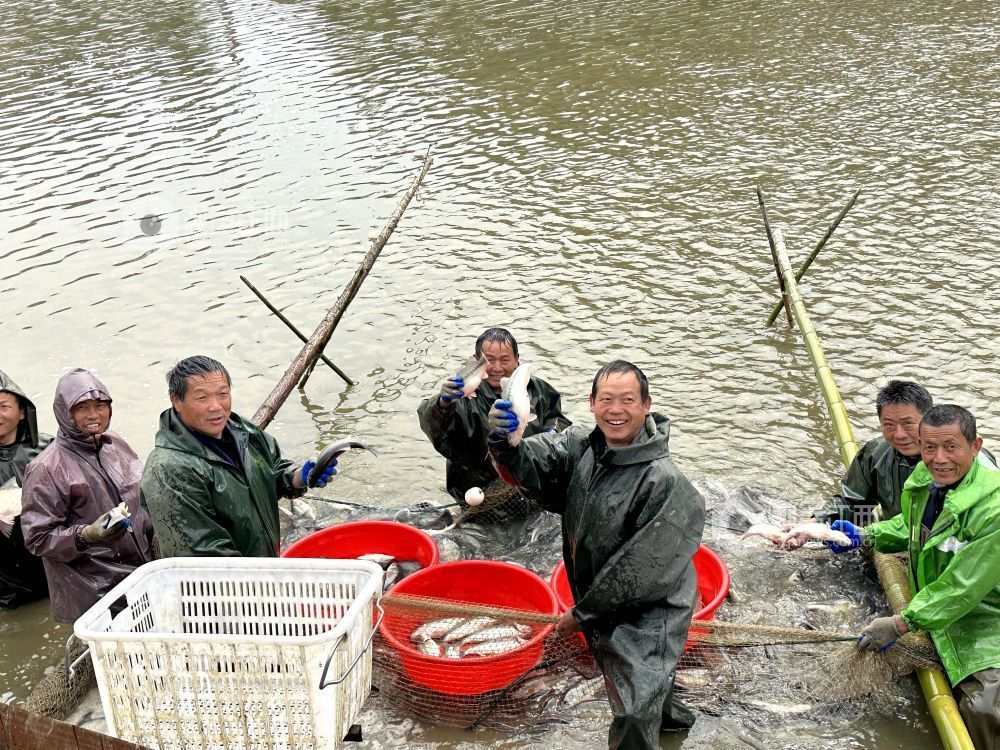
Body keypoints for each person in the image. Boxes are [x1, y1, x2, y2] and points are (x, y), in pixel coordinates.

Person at [487, 360, 705, 750]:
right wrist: (505, 443)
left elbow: (642, 572)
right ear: (591, 403)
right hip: (599, 597)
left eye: (627, 400)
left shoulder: (665, 481)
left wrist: (582, 613)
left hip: (652, 609)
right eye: (606, 399)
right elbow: (534, 464)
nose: (615, 410)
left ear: (646, 405)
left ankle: (653, 729)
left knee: (634, 712)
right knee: (648, 686)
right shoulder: (581, 448)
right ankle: (673, 729)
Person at [831, 405, 999, 748]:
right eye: (929, 448)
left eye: (951, 447)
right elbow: (910, 527)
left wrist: (901, 622)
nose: (939, 459)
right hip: (938, 610)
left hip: (985, 621)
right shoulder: (924, 480)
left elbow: (962, 588)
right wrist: (867, 534)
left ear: (976, 446)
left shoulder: (993, 509)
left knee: (985, 710)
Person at [140, 355, 335, 558]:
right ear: (176, 401)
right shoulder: (168, 469)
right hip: (228, 583)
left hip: (262, 567)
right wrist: (263, 579)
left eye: (223, 394)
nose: (216, 406)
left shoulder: (242, 431)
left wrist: (298, 476)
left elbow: (271, 469)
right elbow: (203, 555)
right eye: (201, 397)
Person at [20, 369, 155, 623]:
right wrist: (87, 534)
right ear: (64, 412)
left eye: (100, 405)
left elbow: (144, 496)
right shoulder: (46, 468)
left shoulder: (115, 443)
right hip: (93, 591)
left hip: (139, 575)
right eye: (82, 408)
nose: (94, 415)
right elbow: (37, 539)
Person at [417, 327, 571, 516]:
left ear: (517, 359)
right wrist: (441, 403)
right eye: (490, 360)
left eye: (505, 360)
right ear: (477, 361)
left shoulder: (539, 390)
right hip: (478, 499)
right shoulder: (461, 396)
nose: (497, 368)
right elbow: (434, 428)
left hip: (531, 496)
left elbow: (558, 422)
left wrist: (550, 438)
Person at [0, 370, 52, 608]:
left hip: (51, 562)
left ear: (22, 412)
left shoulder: (49, 447)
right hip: (6, 580)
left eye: (3, 406)